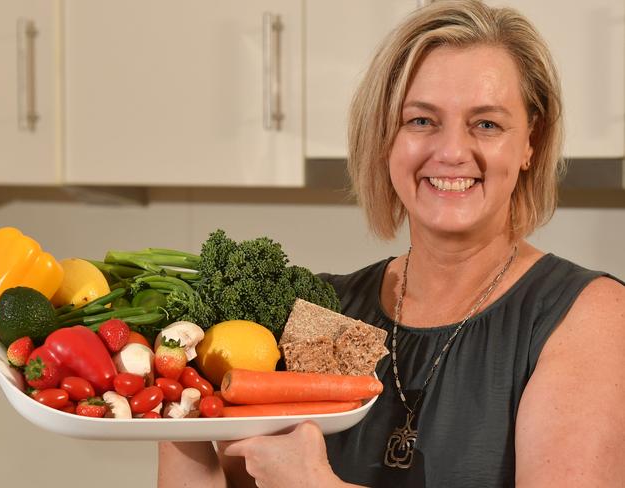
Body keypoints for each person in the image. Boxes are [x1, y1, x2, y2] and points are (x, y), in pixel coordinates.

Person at [158, 1, 625, 486]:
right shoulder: (321, 313)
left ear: (532, 140)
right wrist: (174, 404)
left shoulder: (589, 317)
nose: (451, 152)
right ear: (384, 137)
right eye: (421, 120)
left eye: (486, 124)